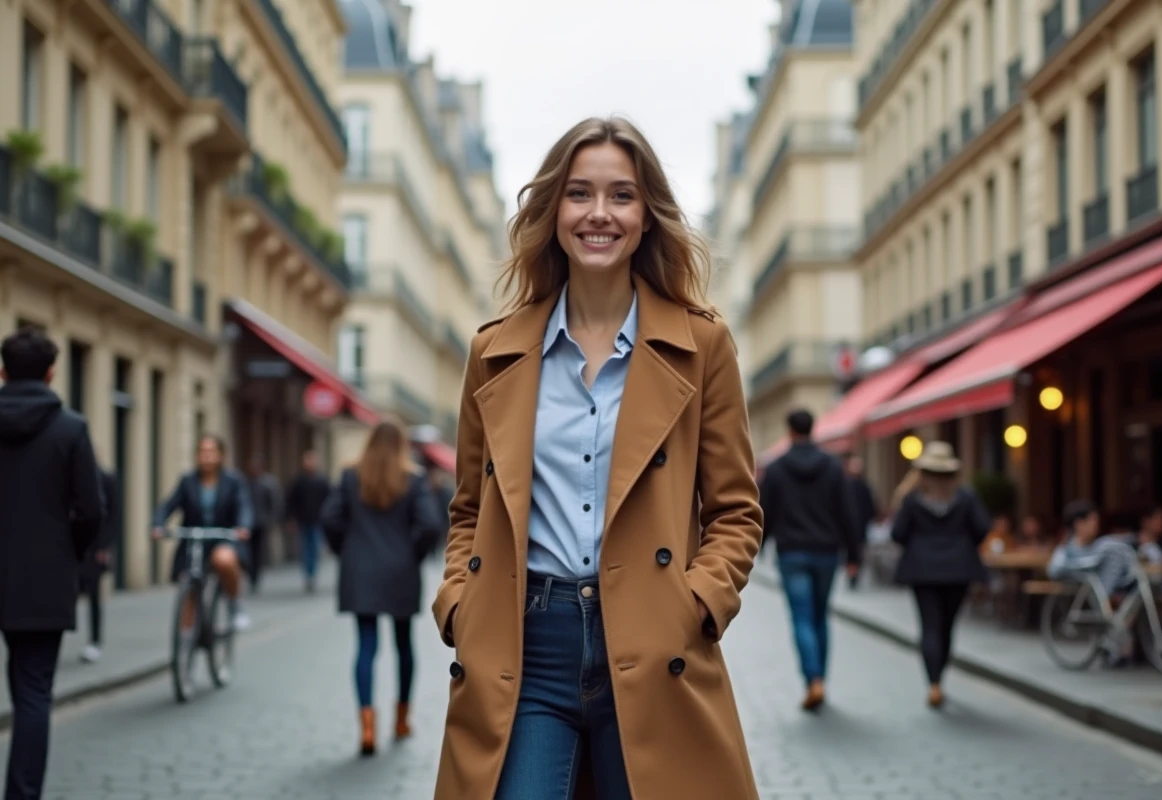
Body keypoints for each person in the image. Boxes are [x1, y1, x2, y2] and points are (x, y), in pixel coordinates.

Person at [431, 117, 764, 800]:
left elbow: (735, 510)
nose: (599, 214)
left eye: (622, 195)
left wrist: (697, 604)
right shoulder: (494, 351)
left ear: (648, 216)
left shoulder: (702, 346)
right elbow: (469, 508)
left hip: (656, 639)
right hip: (523, 650)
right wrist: (458, 605)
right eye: (580, 194)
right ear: (554, 212)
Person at [0, 327, 104, 800]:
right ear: (51, 373)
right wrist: (71, 553)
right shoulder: (71, 429)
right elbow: (91, 510)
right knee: (33, 694)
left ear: (2, 372)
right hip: (44, 580)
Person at [320, 421, 440, 756]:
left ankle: (367, 728)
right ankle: (402, 719)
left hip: (361, 571)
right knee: (404, 645)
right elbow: (430, 525)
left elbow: (329, 519)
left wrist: (347, 549)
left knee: (366, 647)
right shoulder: (413, 478)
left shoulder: (350, 475)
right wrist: (411, 554)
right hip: (400, 571)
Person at [759, 409, 859, 712]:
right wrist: (854, 555)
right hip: (827, 552)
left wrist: (758, 548)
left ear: (789, 431)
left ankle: (812, 679)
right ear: (813, 430)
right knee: (819, 616)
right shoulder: (832, 466)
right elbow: (847, 512)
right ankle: (821, 680)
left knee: (802, 617)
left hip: (792, 553)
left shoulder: (776, 469)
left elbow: (765, 513)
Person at [890, 441, 990, 709]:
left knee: (930, 626)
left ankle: (933, 683)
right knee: (946, 626)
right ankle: (939, 676)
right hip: (958, 570)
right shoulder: (966, 497)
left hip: (922, 571)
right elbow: (982, 529)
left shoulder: (912, 501)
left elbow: (897, 534)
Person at [152, 435, 254, 631]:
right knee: (187, 582)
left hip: (222, 538)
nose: (206, 457)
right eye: (202, 452)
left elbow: (244, 506)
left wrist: (243, 526)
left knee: (224, 559)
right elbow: (168, 505)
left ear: (221, 456)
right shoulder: (188, 481)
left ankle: (235, 606)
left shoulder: (233, 481)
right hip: (194, 542)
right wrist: (158, 524)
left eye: (211, 452)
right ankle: (185, 643)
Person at [1048, 499, 1141, 666]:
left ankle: (1117, 646)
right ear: (1079, 524)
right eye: (1092, 520)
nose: (1095, 525)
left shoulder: (1098, 545)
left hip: (1110, 590)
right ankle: (1116, 646)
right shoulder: (1067, 551)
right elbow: (1054, 569)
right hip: (1091, 594)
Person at [78, 467, 122, 664]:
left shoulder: (105, 479)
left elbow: (113, 516)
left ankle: (95, 641)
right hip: (74, 549)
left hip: (96, 549)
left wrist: (105, 547)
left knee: (94, 595)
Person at [286, 450, 330, 593]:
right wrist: (291, 518)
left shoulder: (321, 480)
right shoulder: (299, 481)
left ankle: (312, 573)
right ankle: (308, 574)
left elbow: (329, 500)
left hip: (318, 520)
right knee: (305, 548)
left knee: (315, 547)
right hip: (303, 520)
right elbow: (291, 501)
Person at [245, 456, 283, 594]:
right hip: (248, 523)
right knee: (249, 551)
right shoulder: (246, 483)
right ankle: (251, 574)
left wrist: (272, 518)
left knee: (257, 551)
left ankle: (255, 576)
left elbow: (274, 502)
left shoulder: (267, 483)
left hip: (261, 522)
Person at [843, 455, 877, 590]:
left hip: (855, 525)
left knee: (854, 552)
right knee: (855, 552)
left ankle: (853, 574)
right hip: (855, 525)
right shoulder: (857, 485)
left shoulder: (858, 486)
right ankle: (853, 573)